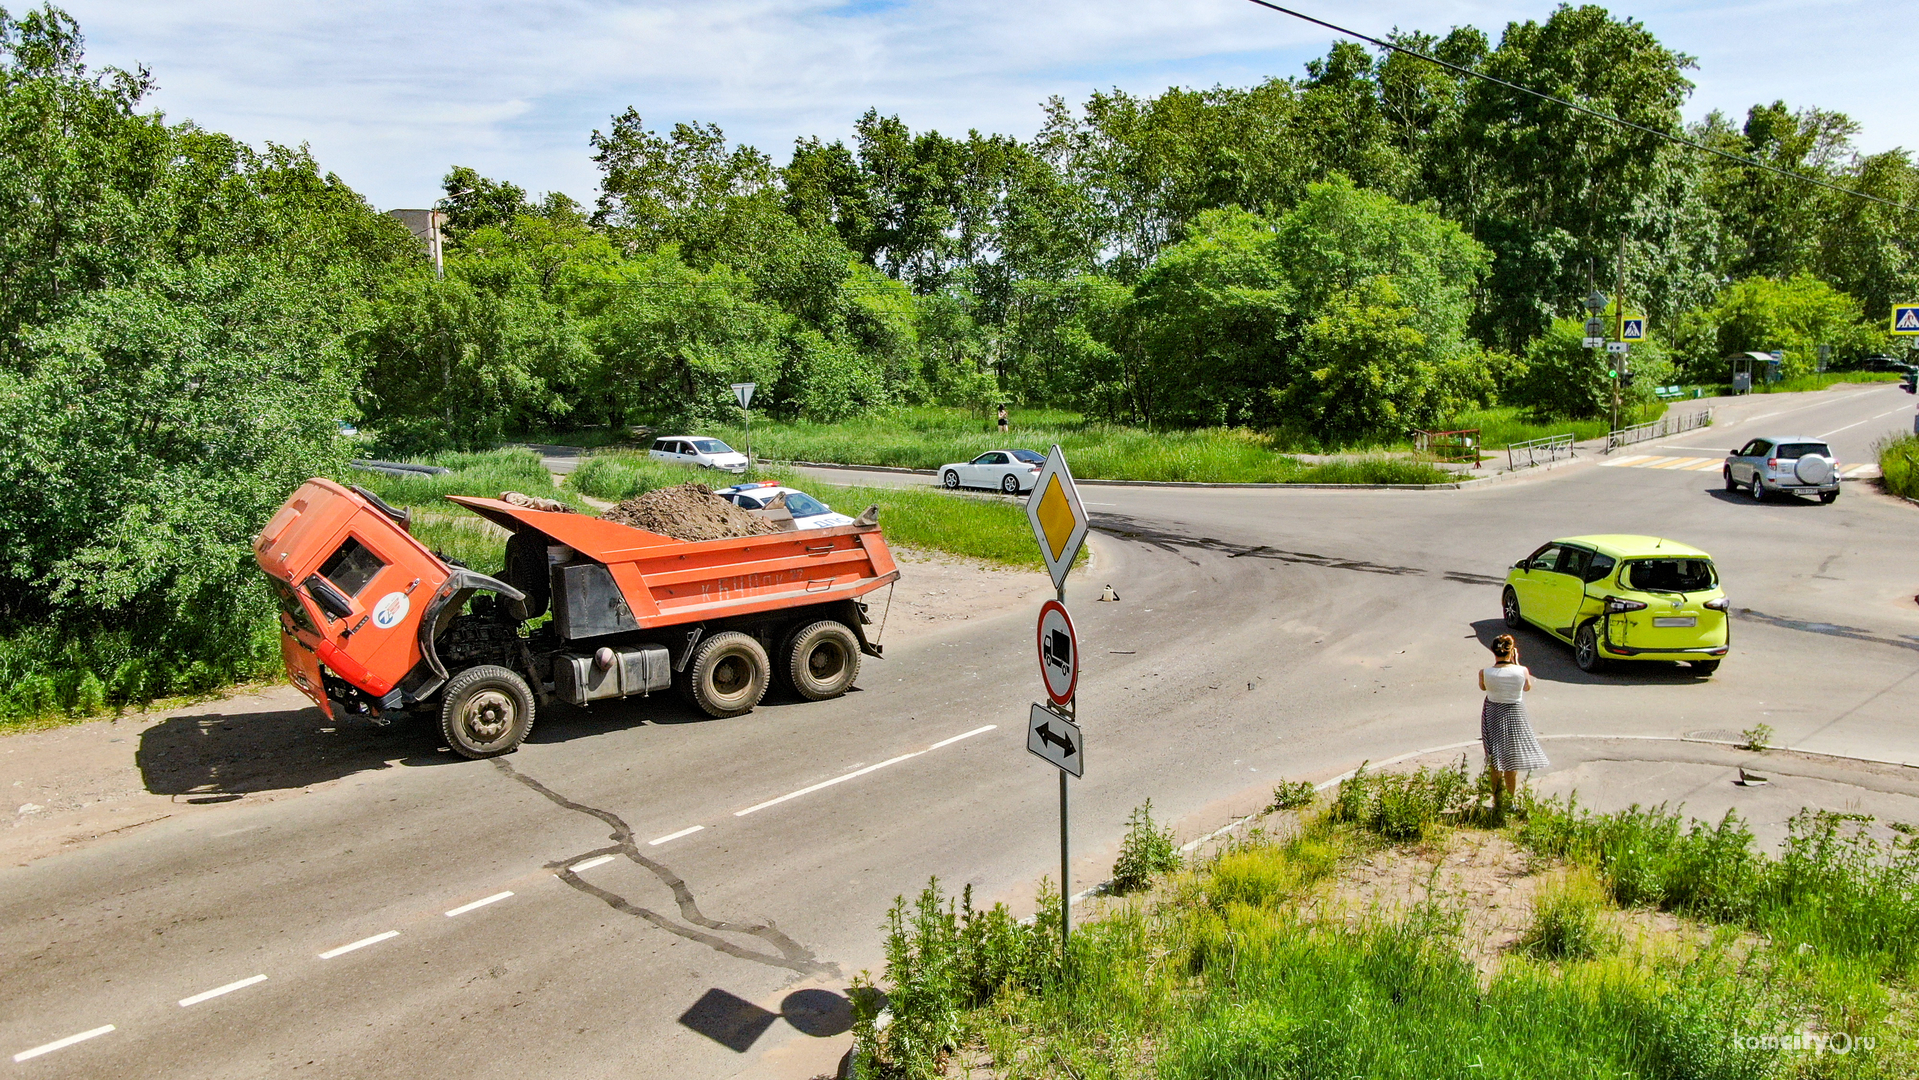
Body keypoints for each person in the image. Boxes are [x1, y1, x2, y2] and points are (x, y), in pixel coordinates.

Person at [1478, 634, 1549, 814]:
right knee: (1511, 761)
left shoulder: (1484, 673)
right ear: (1511, 652)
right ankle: (1510, 802)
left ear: (1493, 651)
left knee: (1495, 761)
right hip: (1515, 713)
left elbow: (1483, 688)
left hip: (1493, 714)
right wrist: (1516, 664)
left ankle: (1497, 802)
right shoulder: (1521, 671)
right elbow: (1527, 687)